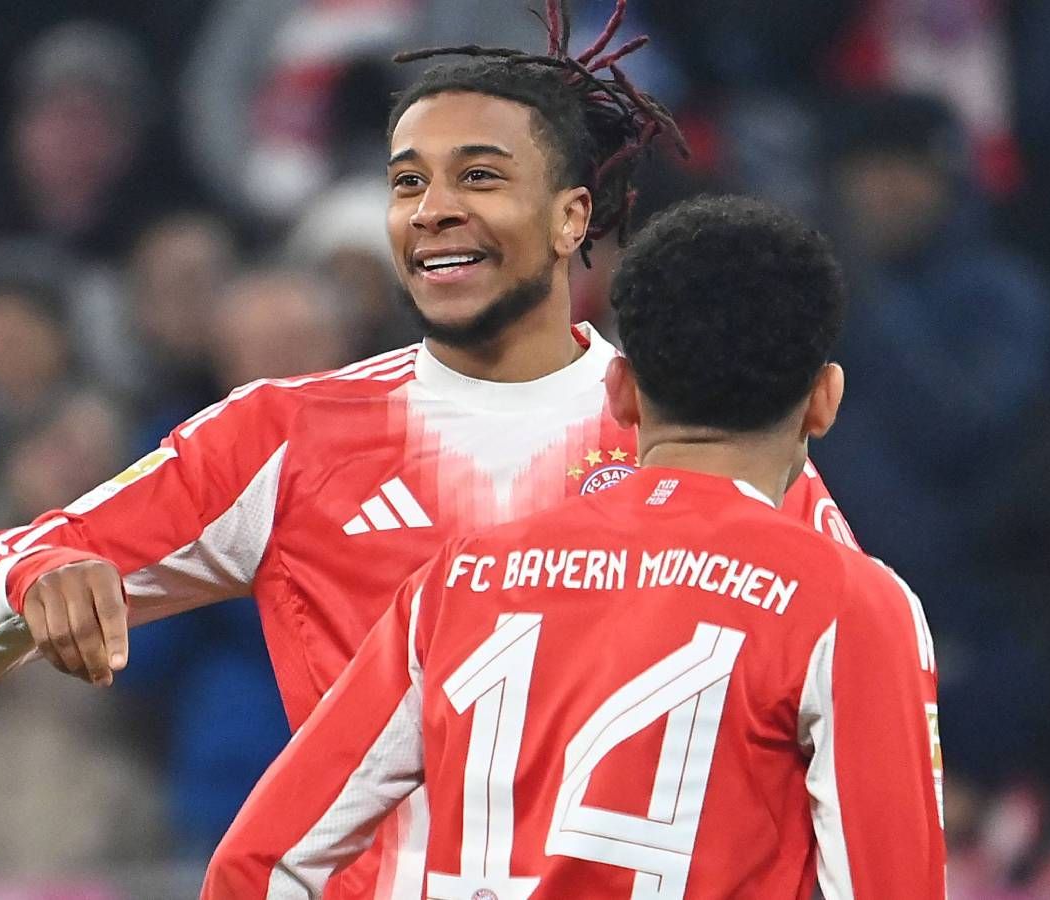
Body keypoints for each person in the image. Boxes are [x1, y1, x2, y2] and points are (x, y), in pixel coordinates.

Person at [0, 1, 861, 893]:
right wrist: (31, 581)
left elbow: (846, 691)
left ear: (572, 216)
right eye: (408, 181)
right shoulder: (286, 437)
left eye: (479, 176)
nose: (432, 209)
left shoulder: (694, 423)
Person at [205, 195, 945, 898]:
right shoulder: (848, 603)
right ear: (824, 400)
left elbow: (258, 861)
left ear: (618, 391)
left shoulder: (463, 580)